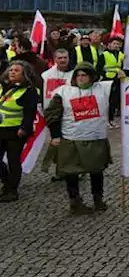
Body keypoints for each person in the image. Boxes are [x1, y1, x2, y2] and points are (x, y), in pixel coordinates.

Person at [44, 63, 117, 214]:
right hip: (71, 139)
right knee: (71, 172)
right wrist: (55, 135)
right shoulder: (63, 92)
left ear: (91, 76)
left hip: (95, 138)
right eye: (78, 75)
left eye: (84, 75)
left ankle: (98, 199)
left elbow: (121, 88)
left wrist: (122, 77)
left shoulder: (102, 89)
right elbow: (52, 114)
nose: (81, 78)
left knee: (96, 171)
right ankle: (75, 202)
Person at [0, 61, 38, 201]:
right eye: (11, 70)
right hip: (2, 129)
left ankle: (12, 190)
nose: (12, 72)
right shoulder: (6, 87)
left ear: (24, 74)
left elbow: (30, 112)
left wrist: (24, 129)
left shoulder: (29, 91)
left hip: (16, 132)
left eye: (16, 70)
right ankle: (6, 181)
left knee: (13, 161)